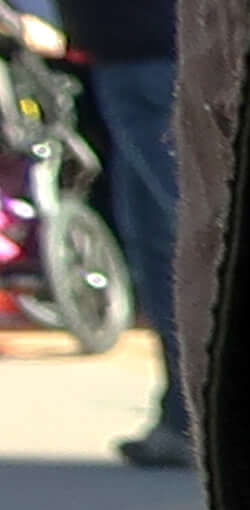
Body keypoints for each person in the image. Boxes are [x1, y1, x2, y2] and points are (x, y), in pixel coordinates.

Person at [60, 0, 175, 469]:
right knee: (156, 238)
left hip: (153, 45)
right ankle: (186, 416)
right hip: (128, 48)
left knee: (197, 227)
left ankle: (245, 417)